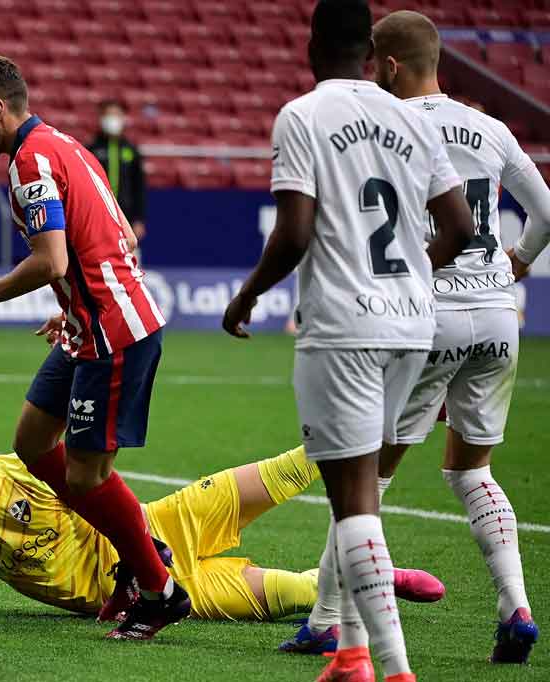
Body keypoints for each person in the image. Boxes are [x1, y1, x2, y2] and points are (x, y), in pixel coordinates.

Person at [221, 2, 475, 681]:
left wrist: (247, 295)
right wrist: (414, 273)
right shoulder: (411, 118)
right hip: (412, 326)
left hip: (341, 330)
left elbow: (296, 232)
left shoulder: (302, 115)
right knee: (363, 488)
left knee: (354, 499)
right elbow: (459, 226)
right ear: (370, 50)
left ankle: (389, 669)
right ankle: (351, 651)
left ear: (311, 46)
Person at [287, 10, 545, 665]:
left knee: (365, 475)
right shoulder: (491, 127)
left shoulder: (392, 125)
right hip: (498, 315)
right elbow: (546, 210)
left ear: (390, 65)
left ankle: (329, 620)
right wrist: (517, 259)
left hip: (429, 313)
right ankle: (516, 605)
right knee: (469, 468)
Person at [0, 55, 184, 640]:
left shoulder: (31, 162)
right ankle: (141, 548)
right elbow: (119, 234)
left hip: (113, 330)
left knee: (84, 477)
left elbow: (53, 256)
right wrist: (70, 301)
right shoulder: (63, 143)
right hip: (90, 321)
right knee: (31, 441)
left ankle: (157, 590)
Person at [0, 412, 444, 624]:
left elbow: (99, 482)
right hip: (154, 591)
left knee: (296, 465)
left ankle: (399, 408)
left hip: (166, 525)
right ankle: (381, 579)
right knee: (297, 593)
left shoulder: (32, 466)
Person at [87, 100, 147, 244]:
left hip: (126, 216)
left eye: (116, 115)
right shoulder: (91, 150)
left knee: (129, 256)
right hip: (98, 214)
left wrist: (139, 218)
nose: (112, 119)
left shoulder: (131, 151)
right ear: (101, 118)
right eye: (109, 115)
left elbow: (139, 187)